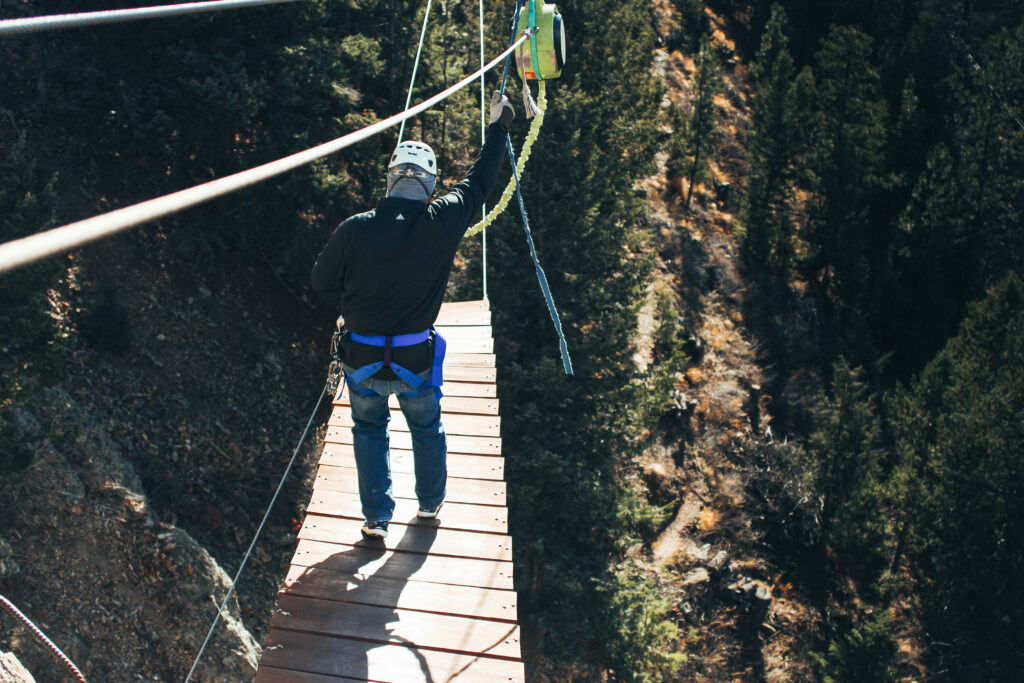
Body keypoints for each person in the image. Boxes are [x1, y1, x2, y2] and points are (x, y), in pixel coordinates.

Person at [311, 91, 516, 540]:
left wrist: (358, 292)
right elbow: (479, 183)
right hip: (415, 361)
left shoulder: (355, 228)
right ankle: (429, 504)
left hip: (361, 355)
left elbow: (321, 282)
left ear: (390, 181)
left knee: (368, 429)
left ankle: (376, 517)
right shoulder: (441, 221)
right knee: (426, 427)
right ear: (429, 183)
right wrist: (499, 127)